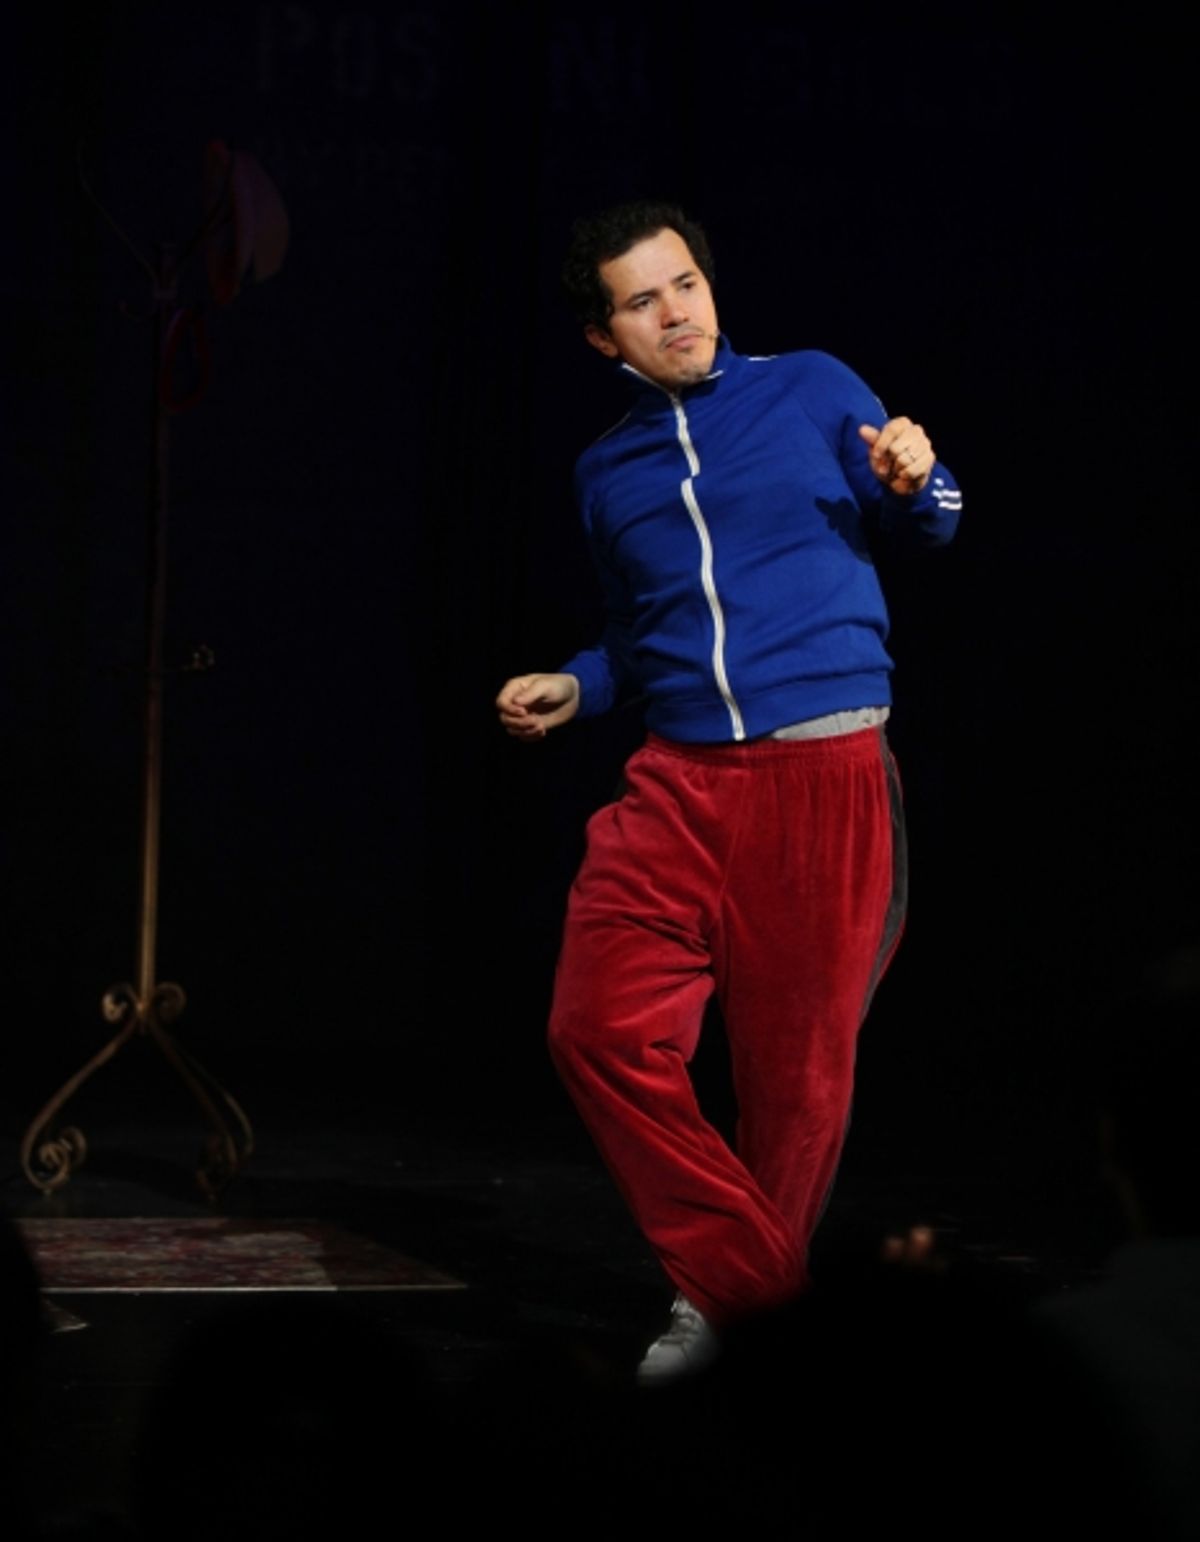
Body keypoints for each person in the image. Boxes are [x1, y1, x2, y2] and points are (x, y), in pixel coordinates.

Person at [496, 199, 962, 1383]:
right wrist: (576, 683)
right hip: (680, 781)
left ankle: (724, 1316)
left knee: (797, 1080)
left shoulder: (810, 386)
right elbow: (635, 634)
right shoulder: (608, 473)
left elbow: (935, 513)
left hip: (826, 772)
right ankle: (763, 1299)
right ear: (606, 338)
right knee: (595, 1029)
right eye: (642, 301)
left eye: (686, 284)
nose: (676, 313)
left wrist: (918, 477)